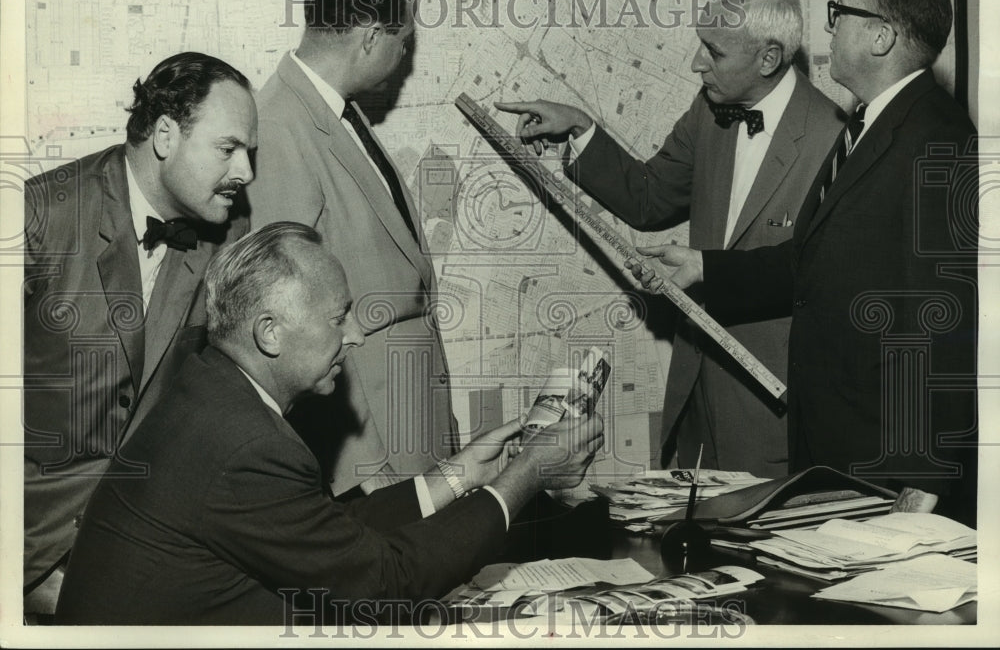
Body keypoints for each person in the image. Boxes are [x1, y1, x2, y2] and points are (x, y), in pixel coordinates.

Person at [54, 223, 603, 625]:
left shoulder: (208, 392)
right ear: (270, 332)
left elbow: (327, 532)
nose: (356, 337)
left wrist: (459, 475)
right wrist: (526, 475)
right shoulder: (247, 444)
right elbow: (384, 583)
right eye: (338, 319)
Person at [628, 0, 978, 524]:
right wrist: (708, 268)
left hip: (883, 473)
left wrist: (919, 491)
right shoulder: (872, 123)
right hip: (835, 457)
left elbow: (947, 331)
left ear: (882, 37)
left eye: (841, 11)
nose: (827, 25)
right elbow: (818, 259)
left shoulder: (937, 142)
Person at [497, 0, 843, 478]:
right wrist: (580, 126)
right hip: (695, 399)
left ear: (769, 58)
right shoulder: (710, 111)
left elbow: (824, 283)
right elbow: (649, 197)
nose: (695, 63)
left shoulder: (836, 142)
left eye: (715, 52)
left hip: (775, 417)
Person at [22, 52, 258, 615]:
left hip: (152, 547)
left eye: (250, 152)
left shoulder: (232, 232)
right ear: (166, 135)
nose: (246, 172)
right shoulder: (36, 215)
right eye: (229, 149)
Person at [247, 0, 453, 496]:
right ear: (369, 37)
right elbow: (291, 329)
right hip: (370, 455)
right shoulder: (279, 129)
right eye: (403, 41)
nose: (404, 56)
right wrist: (361, 474)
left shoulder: (341, 116)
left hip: (410, 435)